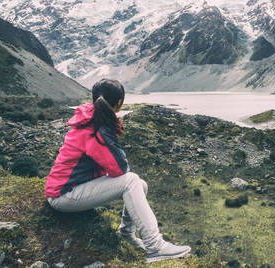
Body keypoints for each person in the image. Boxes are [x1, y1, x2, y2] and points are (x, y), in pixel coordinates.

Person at [44, 79, 191, 263]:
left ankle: (127, 234)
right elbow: (121, 169)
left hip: (68, 189)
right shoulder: (98, 129)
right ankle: (155, 246)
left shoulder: (91, 119)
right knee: (131, 180)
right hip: (63, 196)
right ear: (119, 103)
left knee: (140, 184)